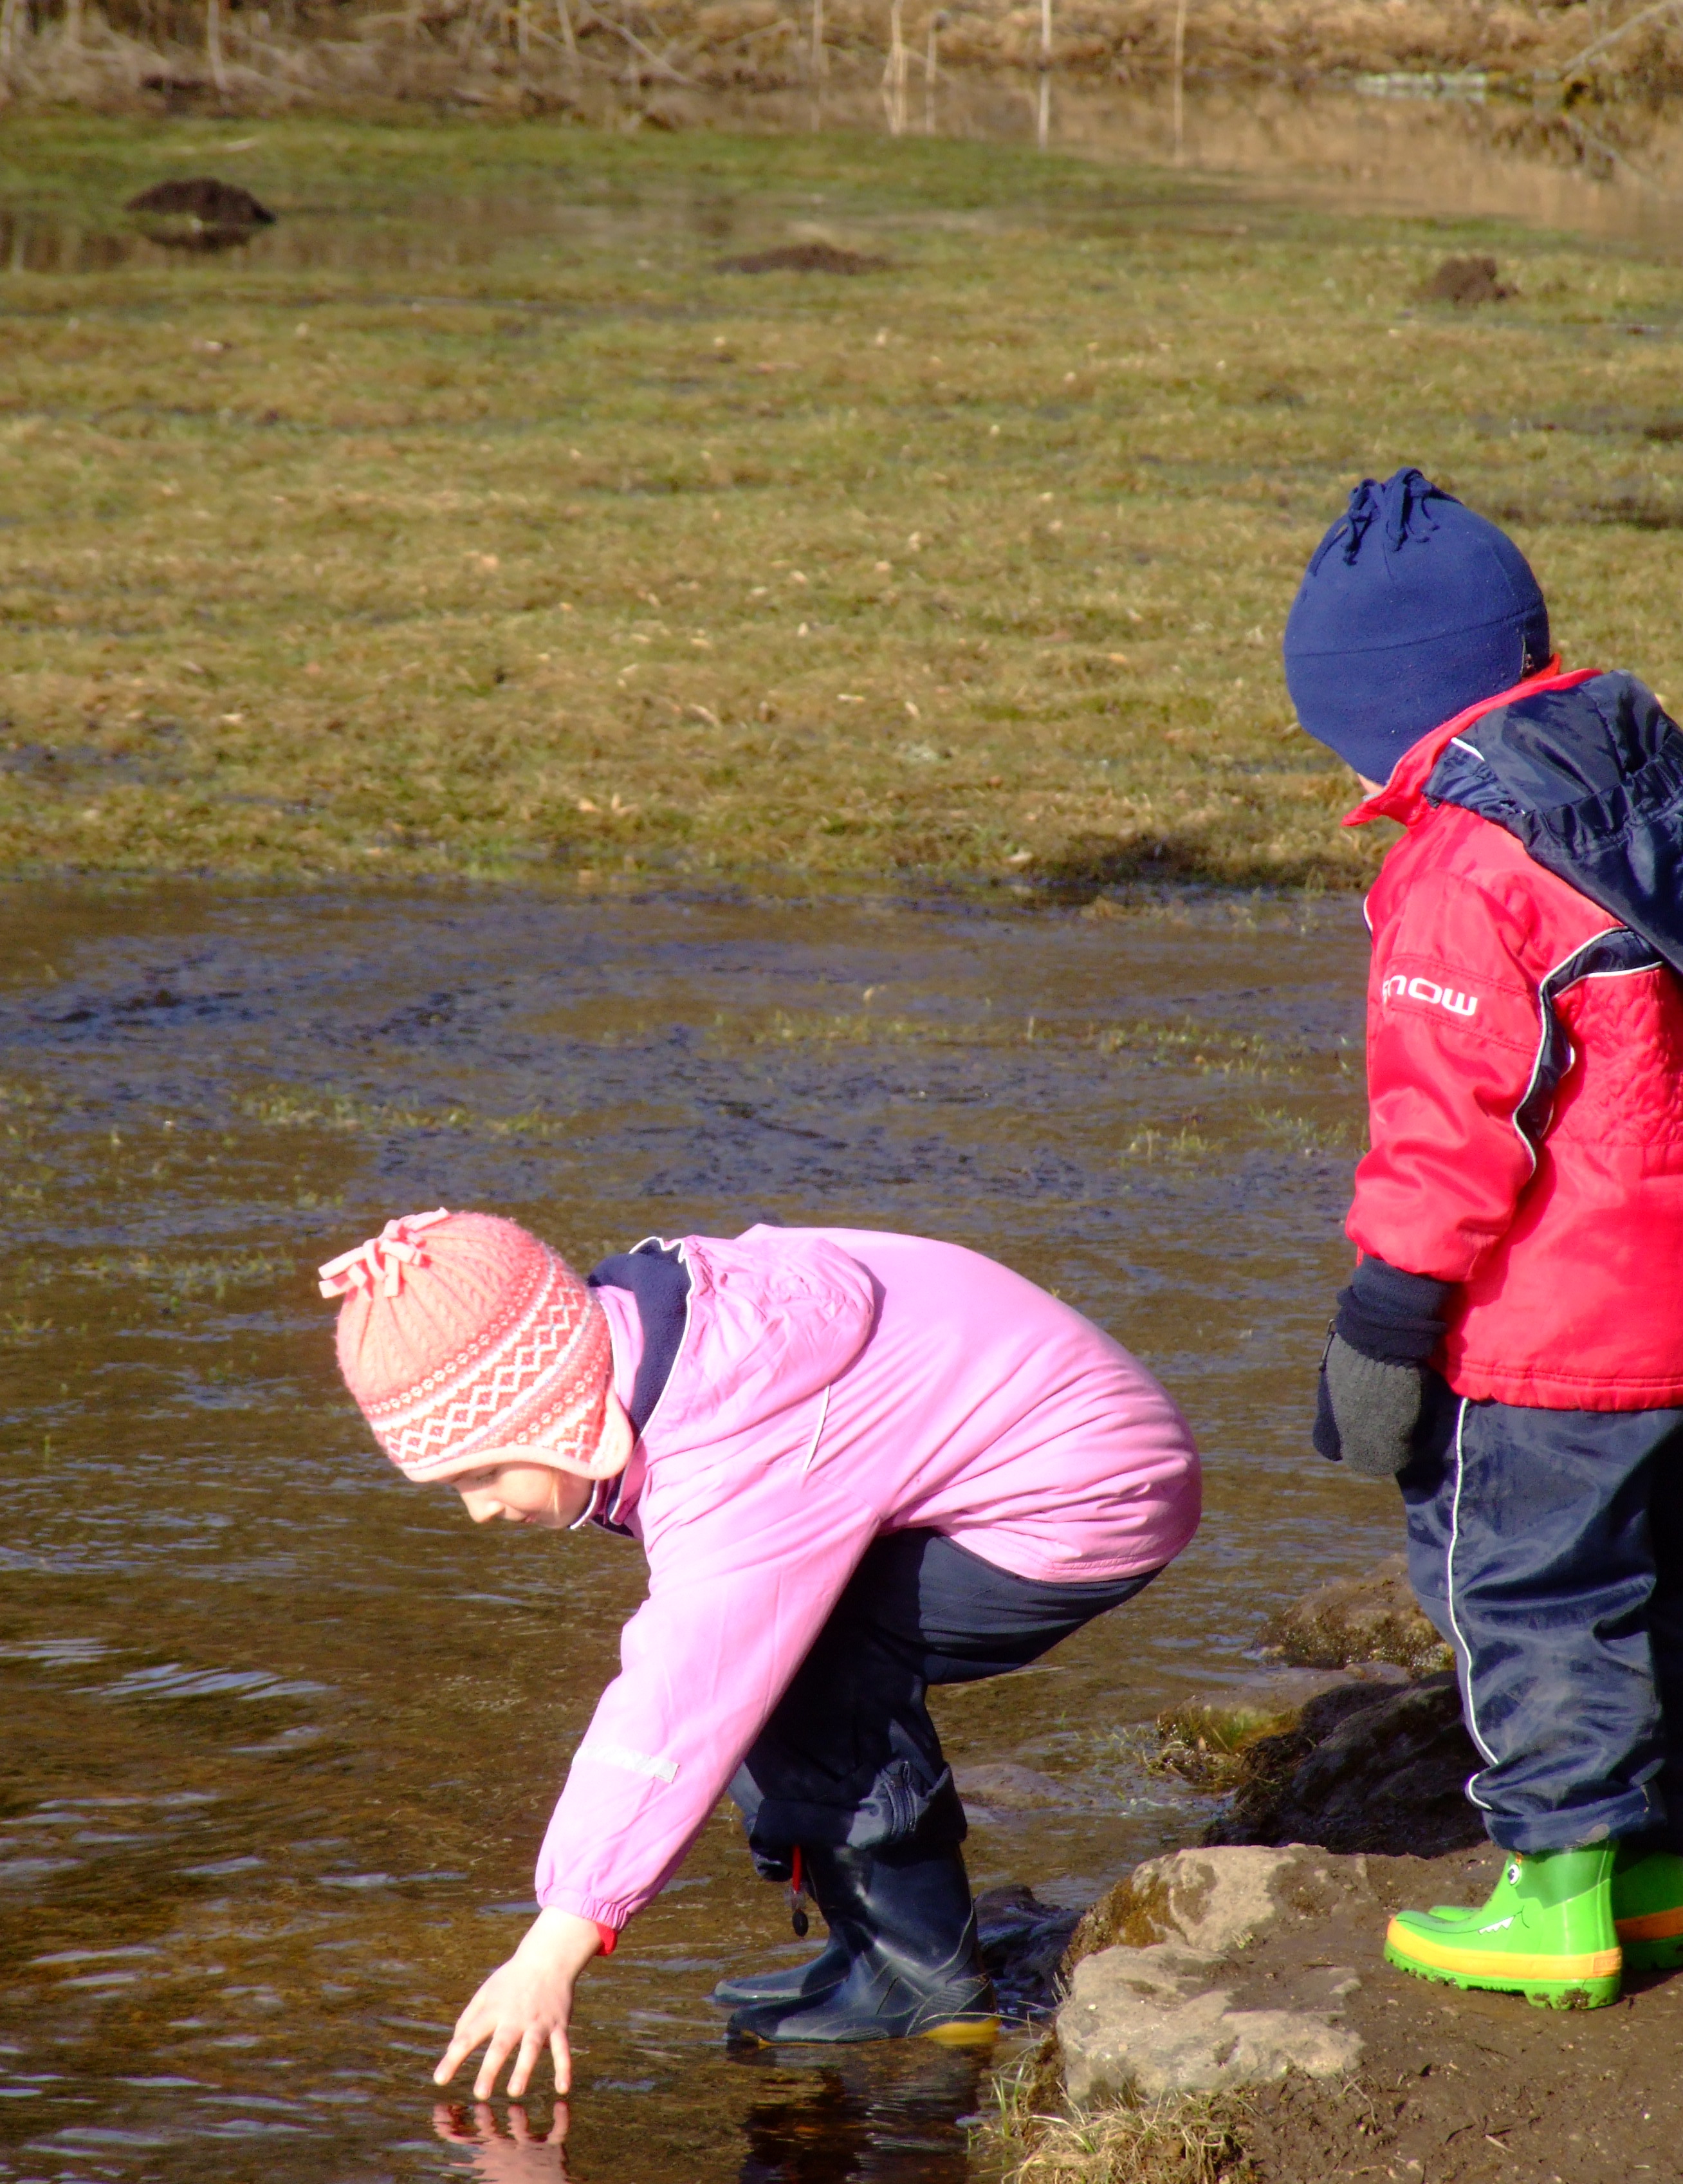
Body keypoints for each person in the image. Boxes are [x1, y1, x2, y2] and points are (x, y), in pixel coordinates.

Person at [317, 1209, 1200, 2091]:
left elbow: (678, 1705)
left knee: (792, 1664)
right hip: (1040, 1443)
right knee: (774, 1647)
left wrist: (550, 1950)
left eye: (483, 1472)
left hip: (1090, 1498)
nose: (478, 1509)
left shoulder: (734, 1442)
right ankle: (872, 1948)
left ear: (557, 1413)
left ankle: (921, 1983)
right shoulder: (658, 1337)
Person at [1285, 465, 1683, 2010]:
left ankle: (1557, 1892)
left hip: (1548, 1337)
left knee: (1523, 1593)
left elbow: (1451, 1132)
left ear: (1381, 700)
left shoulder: (1463, 868)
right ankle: (1653, 1870)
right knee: (1654, 1579)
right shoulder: (1647, 783)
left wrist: (1386, 1318)